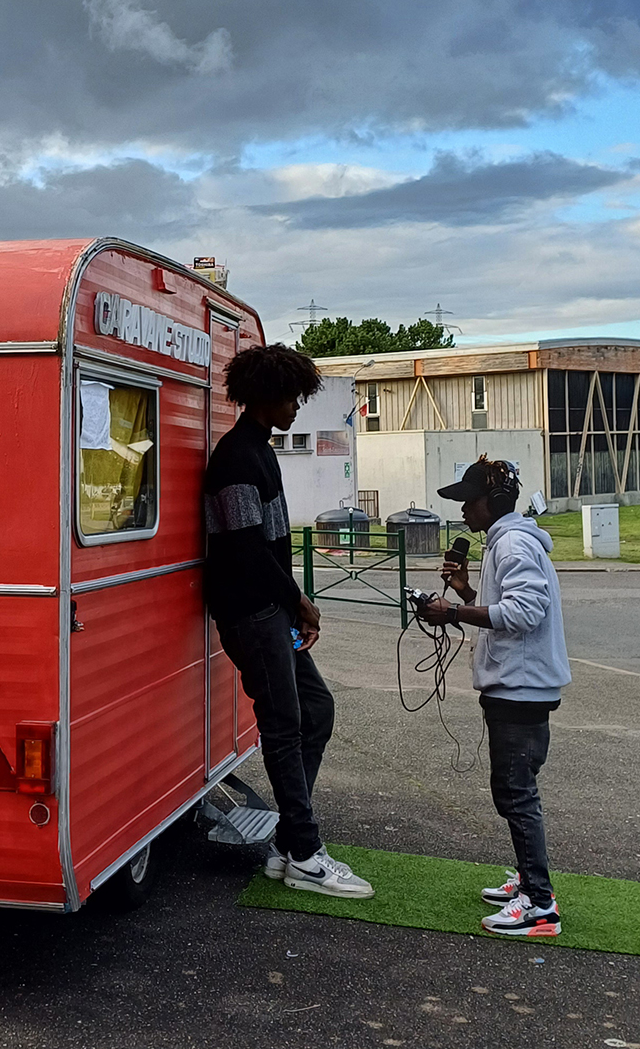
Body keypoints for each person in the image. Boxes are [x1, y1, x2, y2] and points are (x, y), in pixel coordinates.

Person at [203, 344, 373, 899]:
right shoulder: (234, 458)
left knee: (315, 710)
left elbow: (269, 547)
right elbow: (247, 550)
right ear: (265, 396)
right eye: (291, 397)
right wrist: (298, 600)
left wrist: (291, 603)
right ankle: (303, 852)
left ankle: (287, 840)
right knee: (282, 723)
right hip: (250, 612)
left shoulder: (261, 449)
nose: (297, 407)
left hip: (269, 608)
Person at [419, 457, 570, 936]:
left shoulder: (514, 544)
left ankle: (539, 905)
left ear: (494, 502)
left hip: (521, 690)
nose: (463, 511)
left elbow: (525, 611)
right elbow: (509, 607)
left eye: (468, 501)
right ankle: (529, 881)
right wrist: (464, 592)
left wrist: (455, 613)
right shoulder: (507, 541)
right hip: (519, 686)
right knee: (515, 790)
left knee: (515, 793)